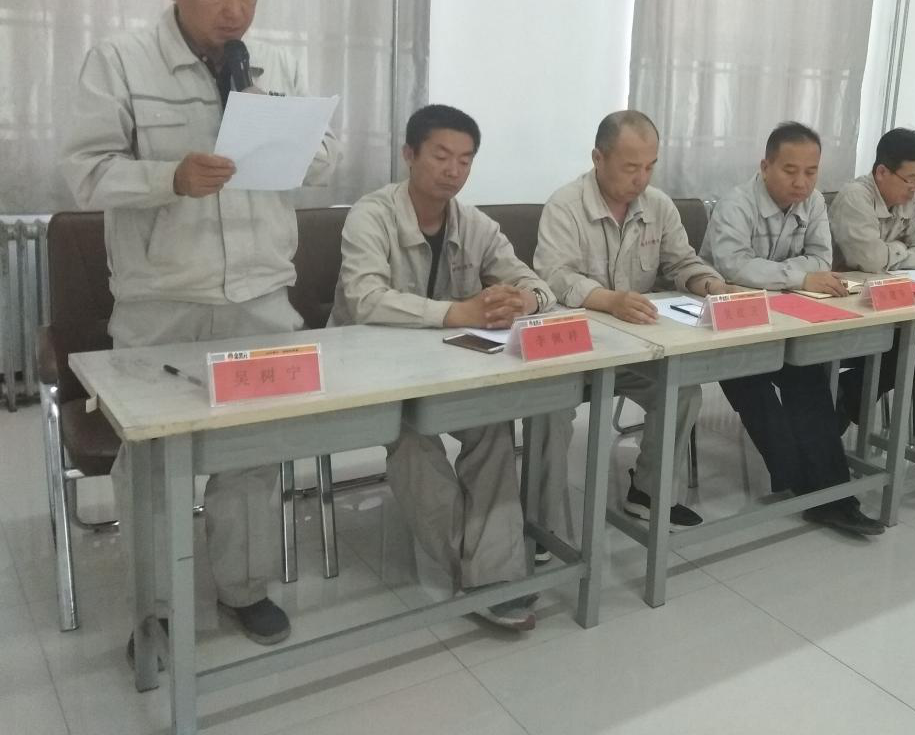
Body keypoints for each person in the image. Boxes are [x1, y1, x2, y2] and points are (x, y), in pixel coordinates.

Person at [61, 0, 341, 650]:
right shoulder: (120, 62)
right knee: (153, 463)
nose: (234, 10)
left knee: (252, 452)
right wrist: (169, 179)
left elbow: (325, 158)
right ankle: (156, 609)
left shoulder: (275, 63)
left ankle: (244, 588)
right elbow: (86, 173)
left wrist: (283, 132)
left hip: (260, 297)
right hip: (161, 303)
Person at [330, 104, 553, 631]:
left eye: (465, 160)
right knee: (411, 439)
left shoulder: (474, 223)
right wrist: (459, 312)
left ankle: (491, 573)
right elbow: (364, 299)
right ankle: (481, 572)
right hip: (369, 370)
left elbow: (533, 282)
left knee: (493, 426)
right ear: (409, 154)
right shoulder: (371, 215)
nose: (453, 170)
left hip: (447, 367)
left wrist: (525, 301)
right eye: (441, 156)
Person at [534, 110, 733, 530]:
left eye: (650, 166)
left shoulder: (658, 206)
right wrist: (609, 300)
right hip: (575, 352)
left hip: (633, 349)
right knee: (548, 411)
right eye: (630, 167)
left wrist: (713, 286)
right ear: (598, 158)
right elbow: (555, 276)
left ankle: (648, 492)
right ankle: (540, 522)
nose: (641, 179)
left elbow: (682, 261)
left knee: (682, 392)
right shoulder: (565, 206)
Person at [700, 122, 883, 535]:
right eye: (790, 170)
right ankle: (808, 487)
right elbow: (734, 267)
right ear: (765, 166)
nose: (802, 182)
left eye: (811, 171)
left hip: (784, 320)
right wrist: (797, 276)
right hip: (724, 327)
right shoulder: (736, 204)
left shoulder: (813, 202)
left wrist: (779, 274)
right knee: (753, 385)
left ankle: (833, 495)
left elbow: (822, 260)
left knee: (808, 378)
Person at [828, 128, 915, 427]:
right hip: (843, 307)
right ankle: (840, 404)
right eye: (910, 179)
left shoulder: (913, 201)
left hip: (886, 305)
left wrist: (888, 253)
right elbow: (869, 260)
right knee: (907, 352)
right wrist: (902, 249)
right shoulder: (855, 196)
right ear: (881, 172)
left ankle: (847, 395)